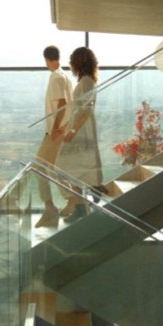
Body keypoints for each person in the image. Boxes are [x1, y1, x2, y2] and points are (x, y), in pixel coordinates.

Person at [55, 46, 103, 223]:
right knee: (73, 170)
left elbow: (86, 111)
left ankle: (83, 201)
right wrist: (67, 126)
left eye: (72, 61)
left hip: (82, 131)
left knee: (64, 168)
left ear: (78, 63)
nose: (70, 64)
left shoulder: (86, 82)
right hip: (79, 128)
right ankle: (81, 204)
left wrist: (73, 130)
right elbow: (78, 110)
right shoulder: (86, 81)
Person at [34, 45, 73, 228]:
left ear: (46, 59)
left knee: (38, 167)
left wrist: (56, 127)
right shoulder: (64, 76)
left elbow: (63, 104)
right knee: (50, 167)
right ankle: (67, 201)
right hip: (59, 130)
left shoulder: (56, 77)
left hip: (54, 132)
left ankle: (54, 207)